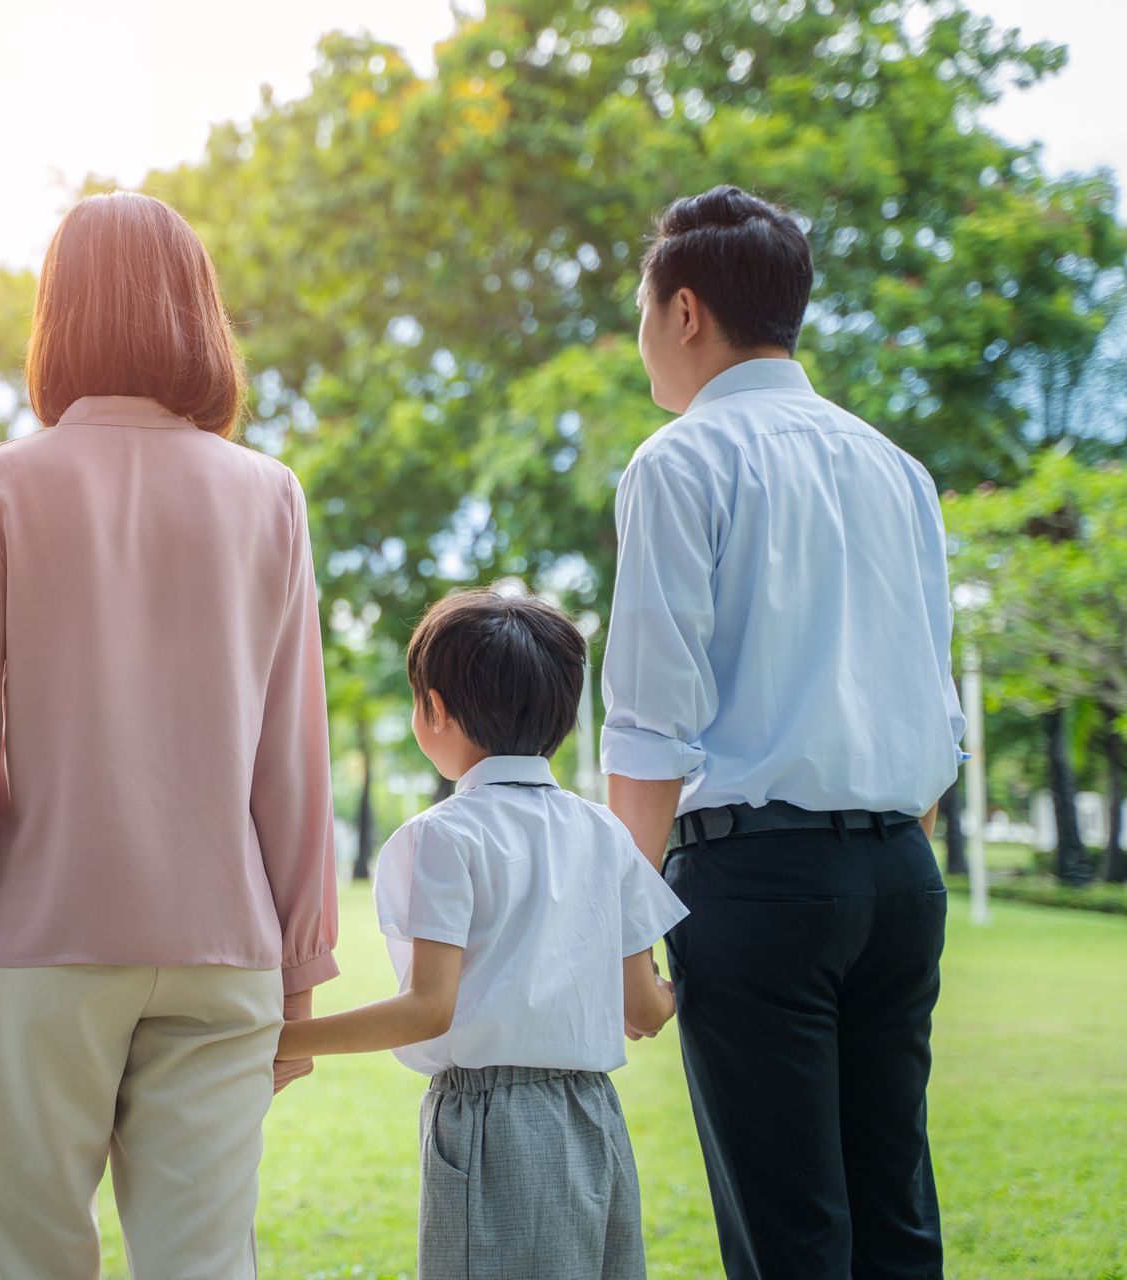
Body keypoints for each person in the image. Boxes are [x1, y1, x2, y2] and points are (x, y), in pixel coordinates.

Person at [0, 191, 339, 1279]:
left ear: (59, 315)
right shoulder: (268, 494)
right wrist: (299, 972)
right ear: (198, 310)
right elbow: (294, 755)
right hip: (224, 949)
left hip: (36, 953)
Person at [601, 185, 965, 1280]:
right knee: (895, 1217)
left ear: (685, 312)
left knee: (789, 1236)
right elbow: (934, 704)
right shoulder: (900, 470)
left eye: (641, 312)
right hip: (902, 873)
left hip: (759, 884)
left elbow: (648, 724)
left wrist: (625, 937)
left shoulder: (680, 460)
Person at [278, 589, 688, 1280]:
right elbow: (644, 1008)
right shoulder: (604, 832)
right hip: (593, 1116)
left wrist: (272, 1038)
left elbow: (427, 1008)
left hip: (491, 1118)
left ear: (434, 708)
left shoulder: (441, 837)